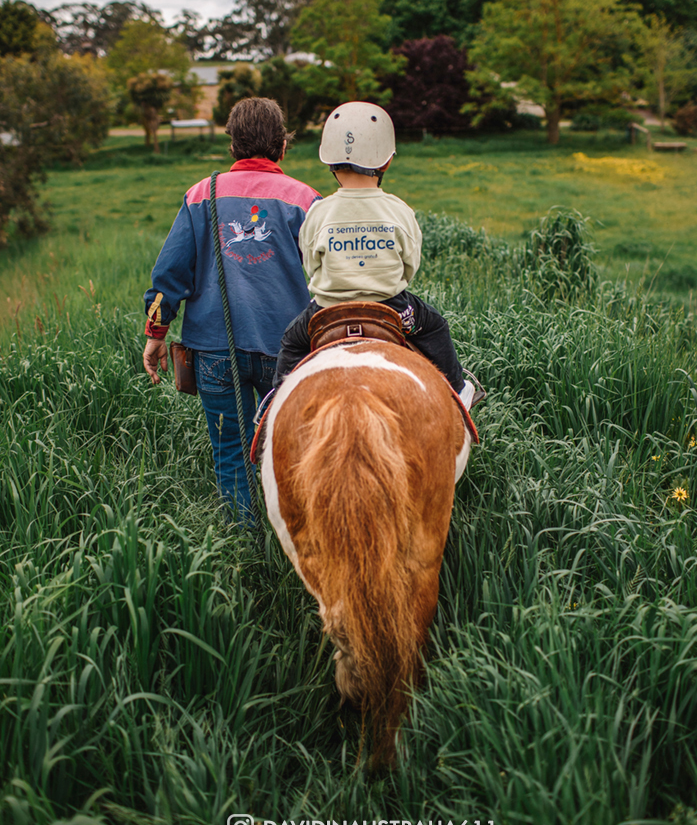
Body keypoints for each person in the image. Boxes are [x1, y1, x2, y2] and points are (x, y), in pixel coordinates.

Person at [143, 96, 321, 523]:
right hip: (289, 352)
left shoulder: (201, 194)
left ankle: (244, 547)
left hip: (215, 351)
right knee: (293, 451)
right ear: (282, 146)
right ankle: (294, 544)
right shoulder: (307, 200)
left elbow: (169, 275)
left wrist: (156, 336)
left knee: (230, 454)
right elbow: (327, 278)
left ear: (232, 146)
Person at [273, 101, 475, 408]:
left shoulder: (319, 212)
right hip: (393, 308)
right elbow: (410, 267)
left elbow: (311, 265)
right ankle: (458, 392)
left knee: (291, 341)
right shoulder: (398, 210)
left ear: (329, 161)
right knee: (435, 327)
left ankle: (273, 408)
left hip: (327, 311)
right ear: (387, 162)